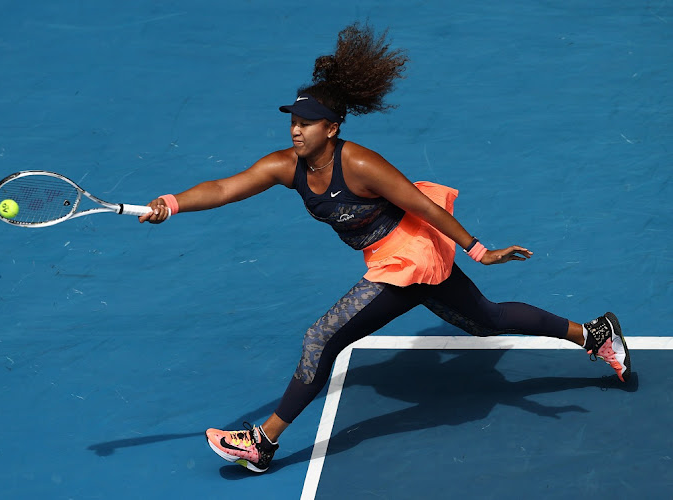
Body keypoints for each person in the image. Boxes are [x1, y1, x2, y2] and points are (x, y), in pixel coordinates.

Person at [139, 23, 631, 473]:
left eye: (307, 122)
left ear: (331, 128)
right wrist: (170, 203)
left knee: (319, 339)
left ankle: (262, 443)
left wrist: (479, 250)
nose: (295, 128)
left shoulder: (360, 164)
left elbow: (422, 204)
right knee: (487, 319)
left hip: (410, 257)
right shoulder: (285, 165)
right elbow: (224, 188)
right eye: (293, 119)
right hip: (391, 257)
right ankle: (594, 334)